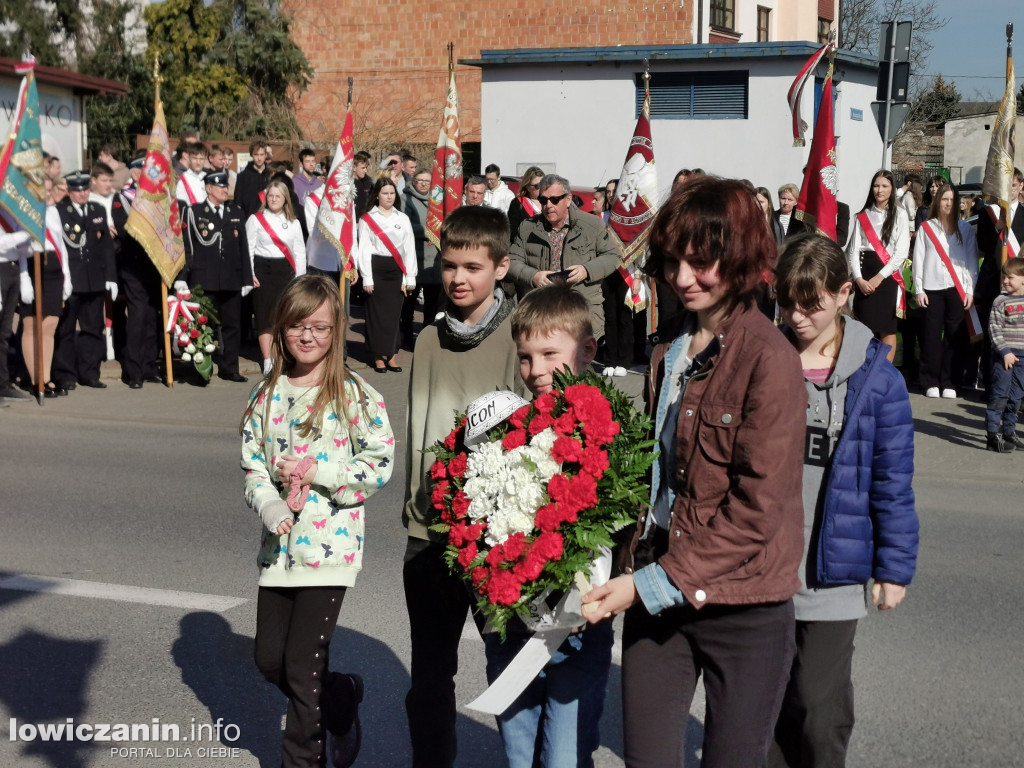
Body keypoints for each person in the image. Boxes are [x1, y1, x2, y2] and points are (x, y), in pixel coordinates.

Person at [581, 176, 807, 768]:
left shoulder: (771, 359)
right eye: (674, 261)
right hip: (659, 591)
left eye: (701, 262)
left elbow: (758, 509)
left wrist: (646, 585)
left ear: (738, 259)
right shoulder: (669, 346)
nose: (683, 278)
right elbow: (657, 478)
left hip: (746, 605)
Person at [769, 234, 918, 768]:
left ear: (843, 294)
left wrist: (894, 568)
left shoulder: (879, 381)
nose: (797, 315)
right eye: (787, 302)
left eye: (811, 303)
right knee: (768, 708)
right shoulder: (765, 360)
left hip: (834, 573)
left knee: (818, 704)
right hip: (766, 569)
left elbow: (892, 481)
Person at [240, 274, 394, 768]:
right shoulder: (265, 395)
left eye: (321, 327)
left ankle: (304, 759)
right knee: (270, 660)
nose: (308, 337)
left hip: (331, 548)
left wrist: (321, 471)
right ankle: (342, 696)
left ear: (337, 331)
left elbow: (379, 462)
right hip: (278, 549)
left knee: (302, 672)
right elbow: (253, 466)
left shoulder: (354, 394)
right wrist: (268, 504)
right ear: (282, 327)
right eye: (298, 326)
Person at [402, 205, 527, 768]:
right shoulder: (427, 340)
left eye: (473, 266)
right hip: (428, 535)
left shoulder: (521, 340)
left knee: (510, 672)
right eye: (449, 265)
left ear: (501, 268)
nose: (458, 278)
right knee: (429, 677)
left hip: (494, 539)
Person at [483, 282, 612, 768]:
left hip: (580, 628)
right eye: (525, 357)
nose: (535, 371)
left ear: (587, 350)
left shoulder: (612, 431)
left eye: (549, 354)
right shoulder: (508, 428)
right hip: (514, 627)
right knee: (519, 756)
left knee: (563, 757)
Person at [508, 173, 620, 340]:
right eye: (543, 200)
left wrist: (586, 270)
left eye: (554, 200)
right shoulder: (527, 227)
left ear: (568, 199)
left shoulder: (591, 225)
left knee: (577, 363)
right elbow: (512, 262)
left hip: (580, 309)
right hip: (541, 311)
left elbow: (613, 255)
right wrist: (534, 276)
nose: (548, 205)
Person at [179, 170, 254, 383]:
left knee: (232, 326)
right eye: (220, 186)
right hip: (204, 279)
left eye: (226, 186)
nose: (225, 190)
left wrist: (247, 279)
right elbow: (188, 247)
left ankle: (230, 368)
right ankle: (202, 369)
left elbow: (243, 248)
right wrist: (183, 277)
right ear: (209, 188)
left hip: (231, 278)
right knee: (203, 325)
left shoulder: (235, 211)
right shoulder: (194, 212)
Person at [913, 182, 979, 399]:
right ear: (937, 201)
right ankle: (930, 380)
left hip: (957, 289)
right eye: (944, 199)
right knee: (930, 336)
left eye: (952, 199)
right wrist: (919, 288)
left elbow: (971, 261)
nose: (948, 203)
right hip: (931, 287)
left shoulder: (966, 228)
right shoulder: (926, 227)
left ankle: (950, 381)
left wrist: (970, 290)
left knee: (955, 337)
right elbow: (919, 259)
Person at [53, 171, 117, 390]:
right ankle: (65, 375)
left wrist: (111, 277)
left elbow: (107, 247)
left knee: (93, 328)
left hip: (95, 279)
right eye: (78, 190)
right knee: (66, 329)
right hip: (72, 280)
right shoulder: (60, 212)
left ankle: (90, 372)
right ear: (69, 191)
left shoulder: (97, 210)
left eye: (85, 190)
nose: (82, 194)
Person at [16, 177, 73, 398]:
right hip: (31, 265)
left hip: (53, 268)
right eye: (46, 192)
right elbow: (20, 249)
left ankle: (46, 377)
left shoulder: (54, 211)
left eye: (51, 191)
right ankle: (34, 379)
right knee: (31, 326)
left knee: (49, 325)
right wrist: (24, 279)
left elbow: (62, 244)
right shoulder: (24, 212)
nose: (50, 196)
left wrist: (67, 276)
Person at [847, 169, 911, 362]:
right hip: (864, 275)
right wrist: (858, 279)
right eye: (876, 185)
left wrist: (879, 277)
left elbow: (900, 253)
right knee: (864, 326)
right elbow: (853, 250)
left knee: (886, 328)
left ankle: (884, 372)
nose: (879, 190)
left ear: (892, 189)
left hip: (887, 277)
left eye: (884, 186)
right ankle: (863, 369)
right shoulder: (862, 215)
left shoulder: (899, 214)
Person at [111, 161, 163, 389]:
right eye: (145, 170)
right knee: (138, 314)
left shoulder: (158, 197)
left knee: (152, 314)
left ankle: (149, 365)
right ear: (134, 172)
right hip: (132, 264)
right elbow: (122, 228)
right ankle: (133, 371)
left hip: (154, 264)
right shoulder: (122, 197)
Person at [247, 179, 307, 375]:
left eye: (277, 196)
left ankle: (284, 356)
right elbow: (248, 248)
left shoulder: (294, 223)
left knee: (285, 318)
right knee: (265, 318)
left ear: (285, 199)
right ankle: (268, 359)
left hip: (286, 273)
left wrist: (300, 279)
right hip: (263, 272)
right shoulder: (256, 219)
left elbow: (299, 252)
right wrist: (250, 274)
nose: (273, 199)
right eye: (270, 196)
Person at [356, 177, 415, 372]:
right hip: (376, 269)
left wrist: (410, 276)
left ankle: (391, 355)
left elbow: (409, 249)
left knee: (393, 315)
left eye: (392, 193)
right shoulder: (368, 219)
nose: (389, 197)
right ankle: (377, 356)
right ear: (377, 196)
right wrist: (367, 277)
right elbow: (363, 248)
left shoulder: (402, 218)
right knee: (376, 315)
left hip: (396, 270)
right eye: (385, 193)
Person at [976, 168, 1024, 393]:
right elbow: (983, 246)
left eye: (1013, 185)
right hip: (992, 282)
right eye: (1006, 186)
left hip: (1019, 288)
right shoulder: (989, 213)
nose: (1010, 190)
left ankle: (1016, 389)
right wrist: (997, 226)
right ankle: (989, 385)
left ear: (1021, 186)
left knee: (1017, 337)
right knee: (991, 334)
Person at [984, 257, 1024, 452]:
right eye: (1004, 277)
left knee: (1016, 397)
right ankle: (992, 435)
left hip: (1023, 357)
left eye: (1011, 277)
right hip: (1004, 357)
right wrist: (1005, 352)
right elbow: (994, 330)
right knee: (1000, 396)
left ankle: (1009, 432)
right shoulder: (1000, 301)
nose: (1005, 281)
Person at [402, 168, 443, 345]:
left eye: (428, 181)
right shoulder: (406, 198)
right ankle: (406, 337)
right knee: (409, 303)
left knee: (431, 305)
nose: (424, 184)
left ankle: (426, 339)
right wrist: (431, 232)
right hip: (414, 257)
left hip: (434, 259)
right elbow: (406, 226)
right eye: (420, 180)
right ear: (414, 181)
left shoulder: (438, 199)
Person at [236, 140, 271, 218]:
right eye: (256, 155)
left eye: (262, 155)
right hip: (249, 219)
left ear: (266, 155)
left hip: (269, 220)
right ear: (251, 155)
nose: (259, 158)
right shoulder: (242, 176)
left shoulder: (271, 174)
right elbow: (238, 202)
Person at [507, 166, 544, 237]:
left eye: (543, 184)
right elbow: (513, 231)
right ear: (527, 187)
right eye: (537, 186)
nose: (541, 188)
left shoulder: (550, 201)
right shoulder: (518, 203)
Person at [175, 142, 208, 207]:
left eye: (201, 159)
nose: (198, 162)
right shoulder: (183, 180)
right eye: (195, 158)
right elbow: (182, 206)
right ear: (189, 158)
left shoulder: (207, 177)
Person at [352, 151, 373, 219]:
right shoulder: (348, 183)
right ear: (354, 168)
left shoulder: (368, 182)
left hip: (364, 220)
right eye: (363, 168)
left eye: (366, 168)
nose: (366, 171)